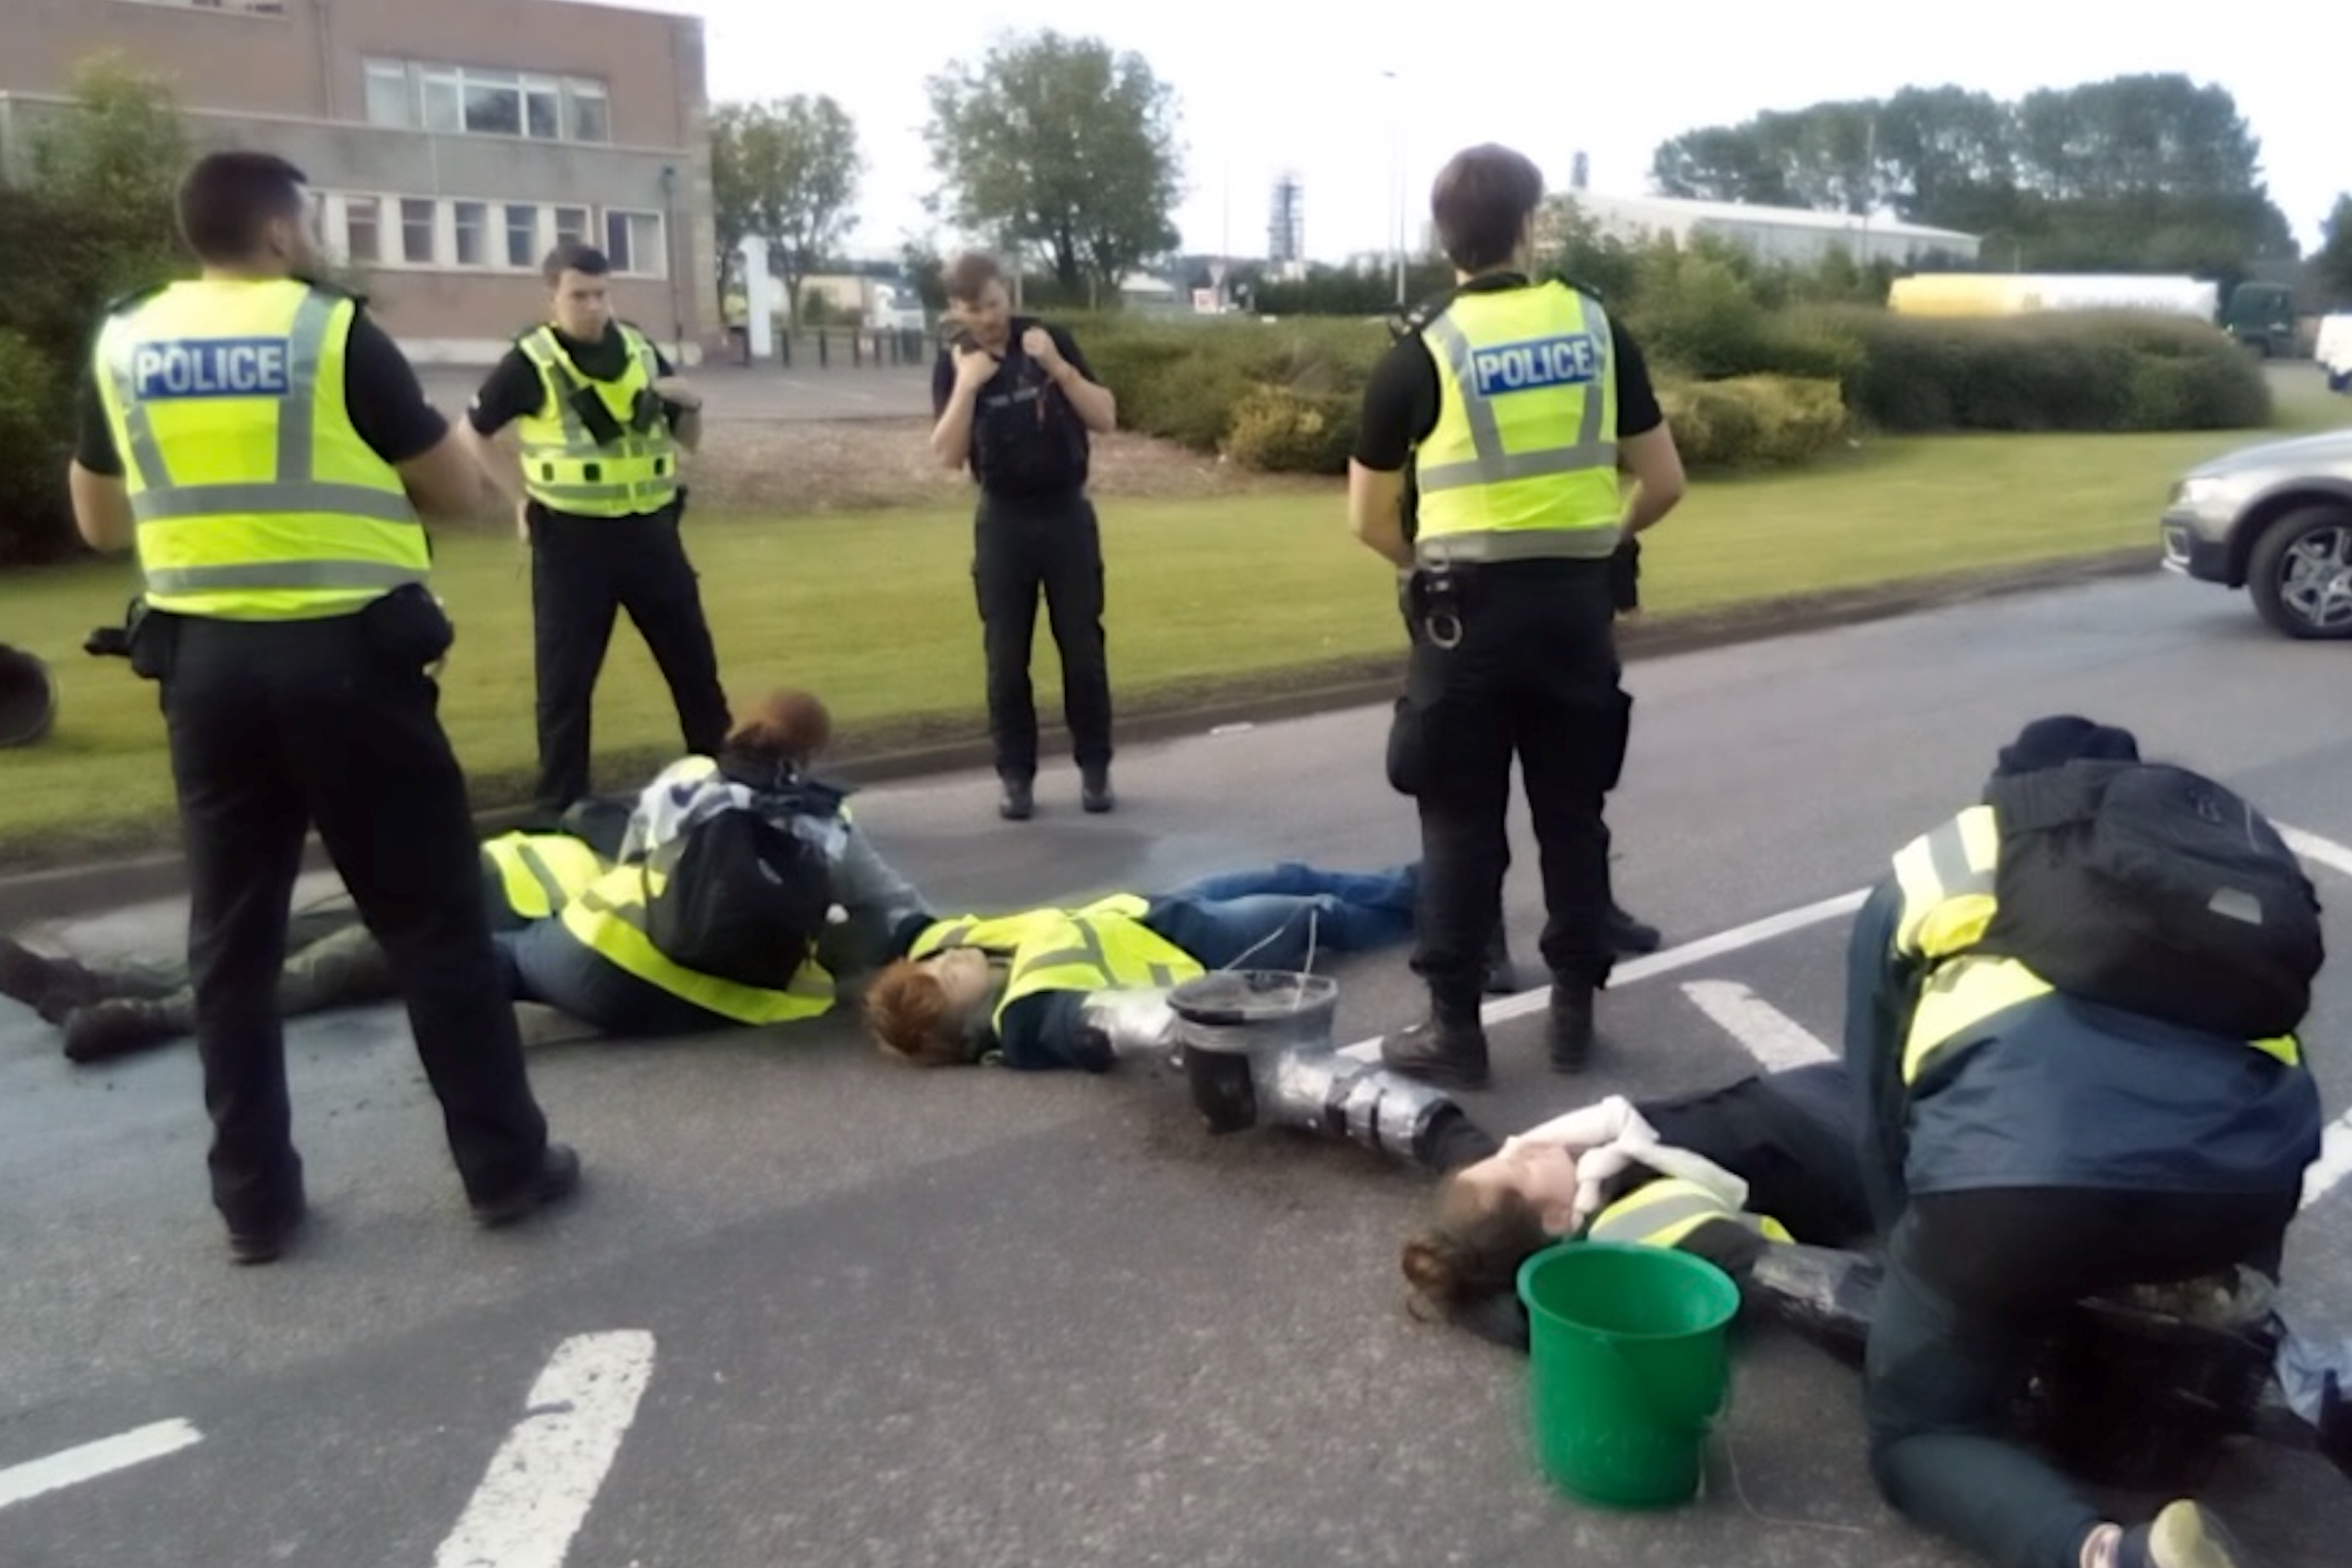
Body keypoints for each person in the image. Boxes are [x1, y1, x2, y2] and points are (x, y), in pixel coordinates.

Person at [66, 149, 579, 1262]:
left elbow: (101, 525)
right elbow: (460, 493)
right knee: (434, 923)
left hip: (206, 673)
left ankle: (254, 1204)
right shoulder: (328, 333)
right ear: (282, 234)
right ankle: (503, 1168)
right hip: (348, 666)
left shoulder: (125, 339)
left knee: (231, 945)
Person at [1847, 715, 2325, 1568]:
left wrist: (1918, 1267)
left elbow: (1878, 1093)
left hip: (2019, 1191)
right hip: (2247, 1180)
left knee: (1920, 1435)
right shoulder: (2225, 859)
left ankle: (2111, 1555)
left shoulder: (1957, 854)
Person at [1349, 144, 1686, 1088]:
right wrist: (1605, 543)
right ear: (1530, 227)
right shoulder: (1595, 327)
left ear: (1444, 236)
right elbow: (1662, 482)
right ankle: (1573, 1013)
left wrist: (1429, 569)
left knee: (1458, 821)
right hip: (1575, 609)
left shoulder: (1419, 352)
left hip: (1464, 619)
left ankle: (1454, 1030)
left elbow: (1367, 519)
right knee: (1572, 812)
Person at [459, 240, 729, 820]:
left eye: (601, 294)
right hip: (572, 544)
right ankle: (562, 808)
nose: (593, 307)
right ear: (551, 297)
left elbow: (690, 444)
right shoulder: (531, 361)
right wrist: (519, 499)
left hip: (652, 535)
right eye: (578, 295)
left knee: (695, 670)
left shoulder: (639, 348)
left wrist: (693, 406)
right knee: (565, 685)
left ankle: (726, 789)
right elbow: (473, 431)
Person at [1, 829, 612, 1063]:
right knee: (268, 935)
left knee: (321, 967)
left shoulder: (619, 897)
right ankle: (86, 980)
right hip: (428, 883)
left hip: (453, 928)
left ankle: (135, 1016)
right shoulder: (586, 834)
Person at [861, 863, 1420, 1073]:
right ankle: (1443, 905)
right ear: (968, 1018)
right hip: (1201, 949)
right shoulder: (1027, 1016)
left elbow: (904, 926)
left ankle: (1423, 883)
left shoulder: (954, 948)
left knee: (1291, 874)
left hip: (1155, 907)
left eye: (936, 964)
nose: (953, 960)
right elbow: (1092, 1030)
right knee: (1321, 918)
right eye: (951, 978)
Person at [928, 250, 1120, 822]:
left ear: (1007, 294)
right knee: (1006, 660)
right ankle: (1016, 778)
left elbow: (1106, 416)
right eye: (972, 309)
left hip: (1066, 515)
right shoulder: (956, 361)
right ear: (955, 310)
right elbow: (945, 455)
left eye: (992, 304)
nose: (986, 318)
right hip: (1004, 522)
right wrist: (965, 389)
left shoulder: (1046, 337)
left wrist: (1058, 367)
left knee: (1082, 650)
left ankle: (1095, 769)